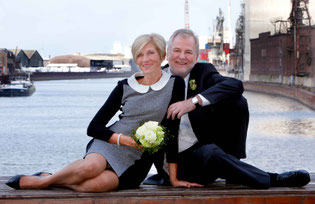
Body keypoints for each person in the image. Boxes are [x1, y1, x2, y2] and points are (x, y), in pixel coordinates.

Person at [5, 33, 201, 192]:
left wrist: (174, 179)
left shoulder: (174, 85)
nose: (145, 59)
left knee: (93, 186)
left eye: (150, 53)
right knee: (91, 168)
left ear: (162, 55)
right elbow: (94, 128)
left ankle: (49, 178)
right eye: (139, 55)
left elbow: (172, 132)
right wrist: (123, 140)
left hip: (138, 158)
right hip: (111, 144)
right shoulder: (124, 86)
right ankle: (39, 182)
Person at [145, 29, 310, 188]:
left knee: (236, 101)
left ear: (196, 57)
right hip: (175, 165)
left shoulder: (203, 72)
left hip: (206, 152)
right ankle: (272, 179)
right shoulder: (154, 82)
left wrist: (193, 102)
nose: (182, 57)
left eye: (188, 52)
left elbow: (235, 85)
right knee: (211, 152)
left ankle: (234, 163)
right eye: (177, 50)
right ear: (167, 53)